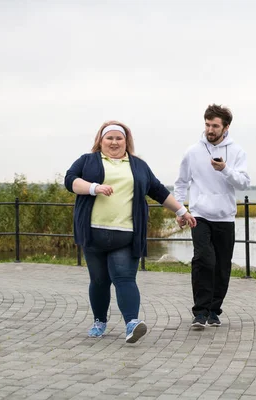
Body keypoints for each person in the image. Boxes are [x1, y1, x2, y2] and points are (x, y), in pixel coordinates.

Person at [65, 120, 196, 342]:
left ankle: (132, 324)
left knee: (125, 278)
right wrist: (94, 188)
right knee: (99, 281)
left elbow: (158, 190)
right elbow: (70, 181)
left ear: (127, 141)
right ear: (101, 140)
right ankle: (99, 321)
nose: (114, 142)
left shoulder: (138, 165)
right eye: (110, 138)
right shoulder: (87, 161)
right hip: (93, 234)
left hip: (125, 235)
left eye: (119, 138)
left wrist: (182, 210)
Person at [174, 104, 251, 328]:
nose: (210, 129)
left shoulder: (237, 151)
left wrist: (225, 169)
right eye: (207, 124)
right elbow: (181, 183)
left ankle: (214, 311)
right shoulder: (192, 152)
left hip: (225, 216)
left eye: (215, 126)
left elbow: (245, 183)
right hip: (199, 215)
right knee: (203, 260)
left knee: (222, 266)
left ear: (226, 127)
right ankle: (200, 312)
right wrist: (180, 210)